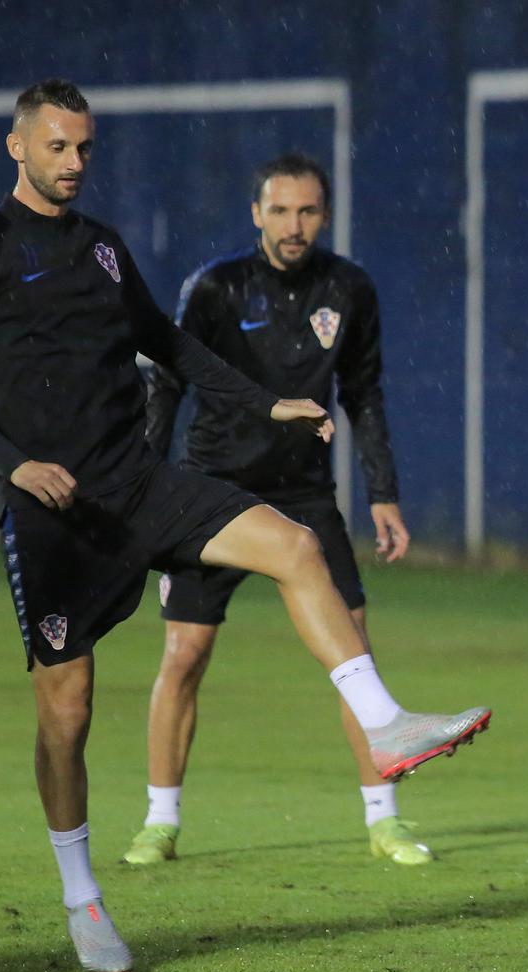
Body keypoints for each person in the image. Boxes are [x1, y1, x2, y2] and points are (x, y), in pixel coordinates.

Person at [0, 79, 490, 972]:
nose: (74, 164)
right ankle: (82, 895)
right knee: (66, 714)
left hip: (138, 482)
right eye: (58, 148)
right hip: (53, 512)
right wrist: (15, 466)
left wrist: (266, 402)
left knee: (296, 546)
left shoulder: (103, 250)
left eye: (84, 149)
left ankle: (382, 726)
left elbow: (169, 345)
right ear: (17, 147)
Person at [122, 153, 431, 868]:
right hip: (211, 491)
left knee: (353, 647)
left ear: (324, 215)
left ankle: (384, 820)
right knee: (185, 653)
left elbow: (364, 392)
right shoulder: (214, 288)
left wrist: (382, 491)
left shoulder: (348, 288)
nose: (295, 226)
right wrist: (141, 489)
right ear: (256, 214)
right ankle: (159, 821)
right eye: (281, 211)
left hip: (302, 495)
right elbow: (166, 385)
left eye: (308, 212)